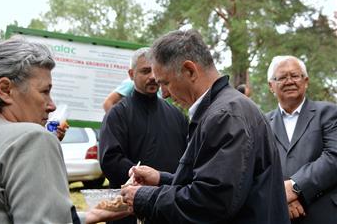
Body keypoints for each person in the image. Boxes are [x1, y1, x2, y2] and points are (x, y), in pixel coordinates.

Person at [120, 29, 290, 224]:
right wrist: (161, 178)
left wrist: (145, 198)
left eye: (165, 83)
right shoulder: (223, 109)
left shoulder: (225, 116)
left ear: (189, 71)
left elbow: (212, 202)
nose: (164, 94)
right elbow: (216, 180)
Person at [0, 37, 131, 224]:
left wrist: (85, 217)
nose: (52, 106)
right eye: (44, 91)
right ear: (5, 89)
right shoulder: (31, 139)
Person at [99, 47, 189, 224]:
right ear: (132, 74)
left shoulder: (177, 115)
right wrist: (140, 178)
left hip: (168, 207)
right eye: (145, 71)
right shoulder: (118, 114)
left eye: (154, 71)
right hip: (129, 211)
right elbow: (110, 160)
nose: (152, 77)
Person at [266, 55, 337, 224]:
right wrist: (281, 197)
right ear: (271, 86)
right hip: (278, 215)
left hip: (323, 214)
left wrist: (295, 187)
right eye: (282, 77)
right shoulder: (262, 123)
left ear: (306, 81)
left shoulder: (329, 113)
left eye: (295, 75)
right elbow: (258, 169)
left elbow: (334, 157)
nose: (289, 81)